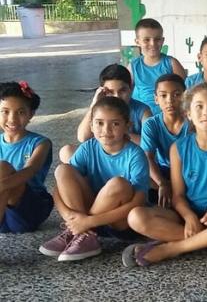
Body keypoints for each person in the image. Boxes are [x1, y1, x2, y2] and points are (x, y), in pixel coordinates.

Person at [122, 83, 207, 266]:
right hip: (187, 216)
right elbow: (178, 196)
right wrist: (189, 216)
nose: (206, 112)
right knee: (136, 217)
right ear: (188, 114)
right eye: (199, 106)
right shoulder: (178, 149)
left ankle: (172, 248)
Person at [39, 97, 148, 261]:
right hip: (87, 216)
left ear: (128, 126)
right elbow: (60, 186)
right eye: (99, 123)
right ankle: (80, 234)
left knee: (118, 183)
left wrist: (90, 221)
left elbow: (138, 201)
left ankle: (83, 231)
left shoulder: (135, 155)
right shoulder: (88, 148)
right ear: (91, 125)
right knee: (63, 170)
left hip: (117, 222)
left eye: (115, 124)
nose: (106, 130)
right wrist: (69, 216)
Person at [59, 64, 152, 164]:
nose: (117, 97)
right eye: (110, 92)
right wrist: (94, 104)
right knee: (66, 151)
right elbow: (82, 137)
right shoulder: (99, 109)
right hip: (101, 157)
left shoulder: (143, 111)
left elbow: (150, 144)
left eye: (122, 91)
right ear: (102, 92)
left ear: (131, 88)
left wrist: (119, 132)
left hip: (128, 159)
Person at [0, 82, 53, 233]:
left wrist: (2, 185)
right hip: (3, 216)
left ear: (31, 114)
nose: (12, 119)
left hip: (28, 210)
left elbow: (30, 170)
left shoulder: (40, 143)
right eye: (5, 111)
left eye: (20, 112)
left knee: (2, 167)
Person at [140, 74, 190, 208]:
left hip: (188, 170)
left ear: (185, 97)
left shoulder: (192, 123)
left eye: (176, 94)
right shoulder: (151, 124)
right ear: (156, 99)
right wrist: (162, 183)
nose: (169, 101)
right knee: (140, 174)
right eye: (163, 95)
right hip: (163, 169)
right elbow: (148, 157)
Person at [128, 18, 186, 114]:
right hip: (142, 118)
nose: (152, 44)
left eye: (157, 39)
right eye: (146, 40)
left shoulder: (172, 63)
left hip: (170, 116)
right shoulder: (133, 67)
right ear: (137, 42)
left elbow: (186, 94)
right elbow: (125, 94)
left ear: (162, 41)